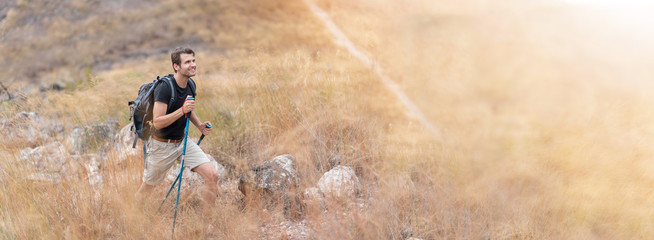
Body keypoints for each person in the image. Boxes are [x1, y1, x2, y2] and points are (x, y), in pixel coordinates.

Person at [136, 47, 217, 210]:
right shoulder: (165, 88)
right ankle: (131, 218)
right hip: (161, 146)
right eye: (187, 62)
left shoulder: (191, 84)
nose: (193, 65)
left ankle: (207, 224)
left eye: (193, 61)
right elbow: (157, 122)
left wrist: (200, 125)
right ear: (176, 66)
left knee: (212, 176)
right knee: (146, 189)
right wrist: (182, 111)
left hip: (182, 142)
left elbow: (189, 108)